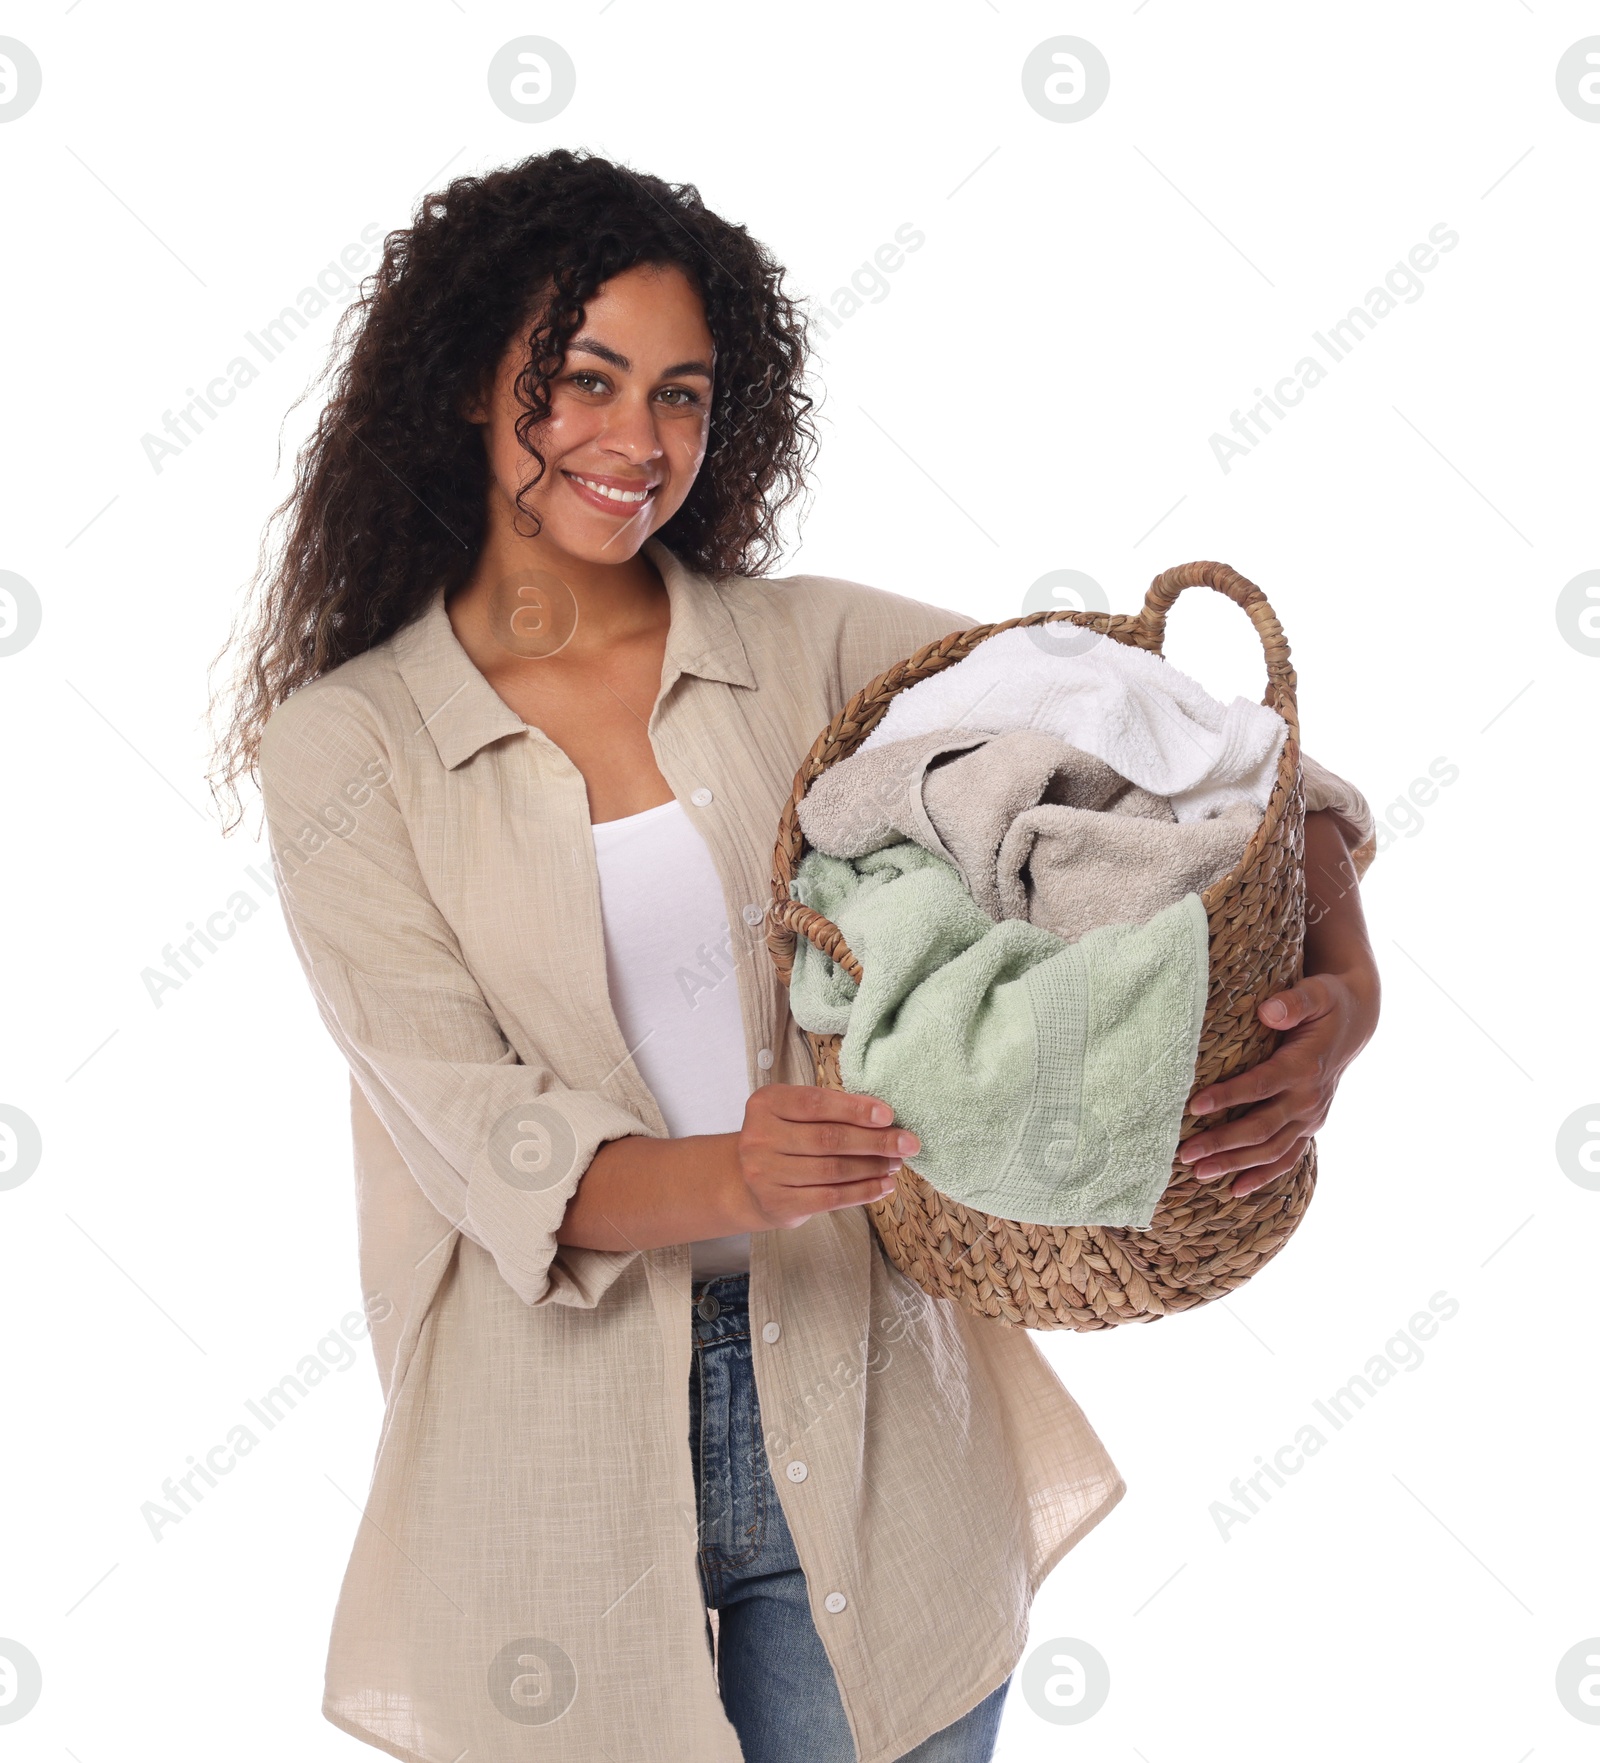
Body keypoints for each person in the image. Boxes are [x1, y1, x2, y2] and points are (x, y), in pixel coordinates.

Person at [209, 148, 1381, 1763]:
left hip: (875, 1400)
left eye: (681, 395)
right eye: (585, 381)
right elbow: (483, 1133)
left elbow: (1195, 741)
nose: (640, 442)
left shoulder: (812, 649)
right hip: (547, 1458)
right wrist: (734, 1175)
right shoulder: (349, 750)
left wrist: (1348, 990)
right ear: (472, 382)